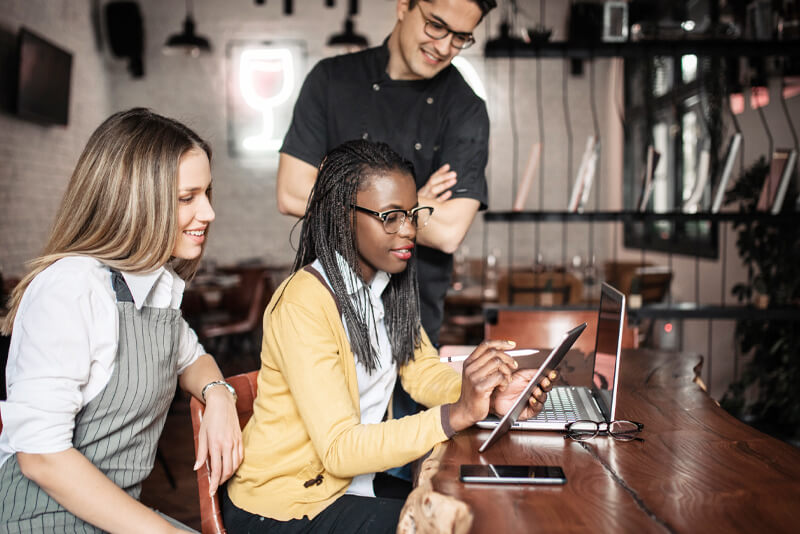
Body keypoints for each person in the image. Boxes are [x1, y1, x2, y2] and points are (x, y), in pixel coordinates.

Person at [223, 140, 555, 533]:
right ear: (343, 216)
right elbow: (339, 450)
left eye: (413, 214)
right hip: (283, 505)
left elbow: (423, 373)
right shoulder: (304, 303)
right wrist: (456, 414)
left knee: (475, 506)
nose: (409, 230)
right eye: (392, 217)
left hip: (350, 487)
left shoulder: (385, 287)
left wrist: (485, 394)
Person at [0, 108, 243, 533]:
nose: (208, 212)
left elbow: (190, 359)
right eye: (187, 198)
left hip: (112, 517)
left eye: (206, 193)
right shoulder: (72, 288)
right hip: (41, 519)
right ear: (133, 198)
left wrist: (219, 394)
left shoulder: (156, 285)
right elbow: (40, 458)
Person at [276, 0, 497, 346]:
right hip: (325, 316)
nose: (443, 47)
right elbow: (291, 192)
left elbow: (449, 232)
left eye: (460, 38)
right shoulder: (331, 80)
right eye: (436, 26)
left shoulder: (466, 109)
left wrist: (336, 197)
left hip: (412, 328)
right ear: (403, 6)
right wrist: (412, 208)